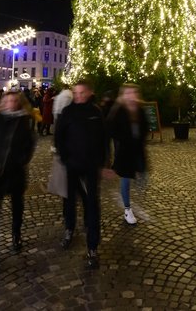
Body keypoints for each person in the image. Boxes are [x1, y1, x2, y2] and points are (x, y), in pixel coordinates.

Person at [54, 79, 108, 268]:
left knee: (92, 203)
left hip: (92, 167)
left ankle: (92, 246)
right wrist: (65, 157)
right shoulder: (67, 112)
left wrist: (104, 162)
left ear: (89, 93)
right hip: (72, 165)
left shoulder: (96, 112)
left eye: (81, 93)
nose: (78, 97)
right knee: (69, 200)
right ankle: (69, 228)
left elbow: (104, 138)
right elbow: (58, 137)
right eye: (75, 93)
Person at [0, 90, 37, 266]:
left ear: (18, 103)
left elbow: (29, 144)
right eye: (7, 100)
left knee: (17, 205)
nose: (10, 103)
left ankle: (16, 233)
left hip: (16, 171)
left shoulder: (24, 120)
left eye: (14, 100)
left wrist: (21, 160)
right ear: (2, 102)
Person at [106, 83, 149, 226]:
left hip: (138, 151)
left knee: (142, 177)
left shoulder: (140, 110)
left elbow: (145, 128)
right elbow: (110, 129)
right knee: (125, 180)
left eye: (133, 93)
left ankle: (136, 190)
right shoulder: (118, 110)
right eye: (128, 93)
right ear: (123, 95)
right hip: (124, 151)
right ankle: (127, 209)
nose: (131, 96)